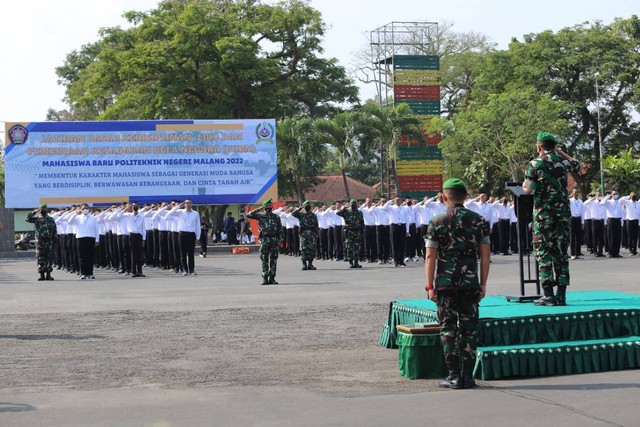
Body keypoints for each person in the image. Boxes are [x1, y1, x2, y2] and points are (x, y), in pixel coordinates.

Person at [425, 178, 490, 389]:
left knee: (448, 328)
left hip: (445, 284)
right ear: (465, 197)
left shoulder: (436, 221)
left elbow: (430, 257)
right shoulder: (479, 221)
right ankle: (468, 376)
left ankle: (454, 375)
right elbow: (485, 256)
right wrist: (483, 284)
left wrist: (429, 286)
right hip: (470, 284)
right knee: (469, 329)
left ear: (444, 197)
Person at [523, 131, 581, 306]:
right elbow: (577, 165)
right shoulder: (563, 162)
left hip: (544, 215)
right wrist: (560, 152)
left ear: (539, 146)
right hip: (562, 214)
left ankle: (548, 295)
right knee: (561, 254)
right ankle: (561, 295)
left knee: (544, 252)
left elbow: (527, 189)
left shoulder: (535, 163)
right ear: (554, 146)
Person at [247, 199, 283, 285]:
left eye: (270, 205)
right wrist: (259, 209)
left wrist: (281, 240)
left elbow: (280, 229)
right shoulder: (260, 215)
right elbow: (249, 215)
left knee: (273, 259)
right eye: (267, 206)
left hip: (274, 239)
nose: (269, 207)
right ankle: (265, 278)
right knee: (264, 259)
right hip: (264, 240)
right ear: (264, 207)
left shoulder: (276, 217)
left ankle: (272, 278)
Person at [64, 203, 100, 280]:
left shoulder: (93, 218)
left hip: (91, 238)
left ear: (89, 209)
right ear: (80, 209)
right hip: (80, 238)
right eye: (83, 208)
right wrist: (75, 213)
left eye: (86, 208)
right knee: (82, 257)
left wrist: (97, 240)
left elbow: (97, 229)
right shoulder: (77, 217)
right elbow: (69, 222)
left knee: (90, 257)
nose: (85, 210)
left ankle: (90, 273)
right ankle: (83, 273)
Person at [167, 200, 201, 276]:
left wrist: (198, 236)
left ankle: (191, 270)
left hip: (191, 234)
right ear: (184, 204)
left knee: (191, 253)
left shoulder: (195, 213)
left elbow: (198, 225)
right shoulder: (180, 212)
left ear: (191, 204)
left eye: (189, 203)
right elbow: (169, 213)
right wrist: (178, 206)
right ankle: (184, 269)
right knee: (183, 253)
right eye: (186, 203)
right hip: (182, 234)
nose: (188, 204)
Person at [25, 204, 58, 281]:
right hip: (40, 242)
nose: (43, 211)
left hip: (49, 241)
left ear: (47, 210)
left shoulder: (51, 219)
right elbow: (27, 219)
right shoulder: (37, 219)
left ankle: (49, 275)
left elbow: (54, 231)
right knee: (40, 258)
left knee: (49, 258)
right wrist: (34, 212)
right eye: (41, 209)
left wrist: (55, 241)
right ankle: (41, 275)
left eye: (44, 209)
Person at [291, 200, 319, 270]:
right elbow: (293, 214)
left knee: (312, 249)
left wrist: (316, 233)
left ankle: (310, 264)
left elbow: (316, 225)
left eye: (308, 205)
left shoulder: (313, 215)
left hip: (312, 234)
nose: (307, 207)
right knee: (303, 249)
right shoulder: (300, 214)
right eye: (306, 205)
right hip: (303, 234)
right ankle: (304, 264)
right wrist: (300, 208)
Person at [337, 199, 365, 268]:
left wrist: (362, 230)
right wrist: (344, 208)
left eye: (354, 204)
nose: (354, 205)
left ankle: (356, 262)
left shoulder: (359, 212)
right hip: (349, 232)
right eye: (352, 204)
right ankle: (350, 262)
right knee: (349, 247)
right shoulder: (346, 212)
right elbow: (338, 213)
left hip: (357, 231)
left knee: (357, 247)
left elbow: (362, 222)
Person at [569, 189, 585, 259]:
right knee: (572, 236)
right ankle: (572, 253)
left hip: (578, 218)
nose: (576, 194)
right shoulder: (570, 201)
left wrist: (582, 222)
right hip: (572, 219)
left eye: (577, 192)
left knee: (578, 237)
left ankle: (578, 252)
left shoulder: (580, 201)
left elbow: (582, 212)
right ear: (572, 193)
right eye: (575, 192)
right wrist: (570, 196)